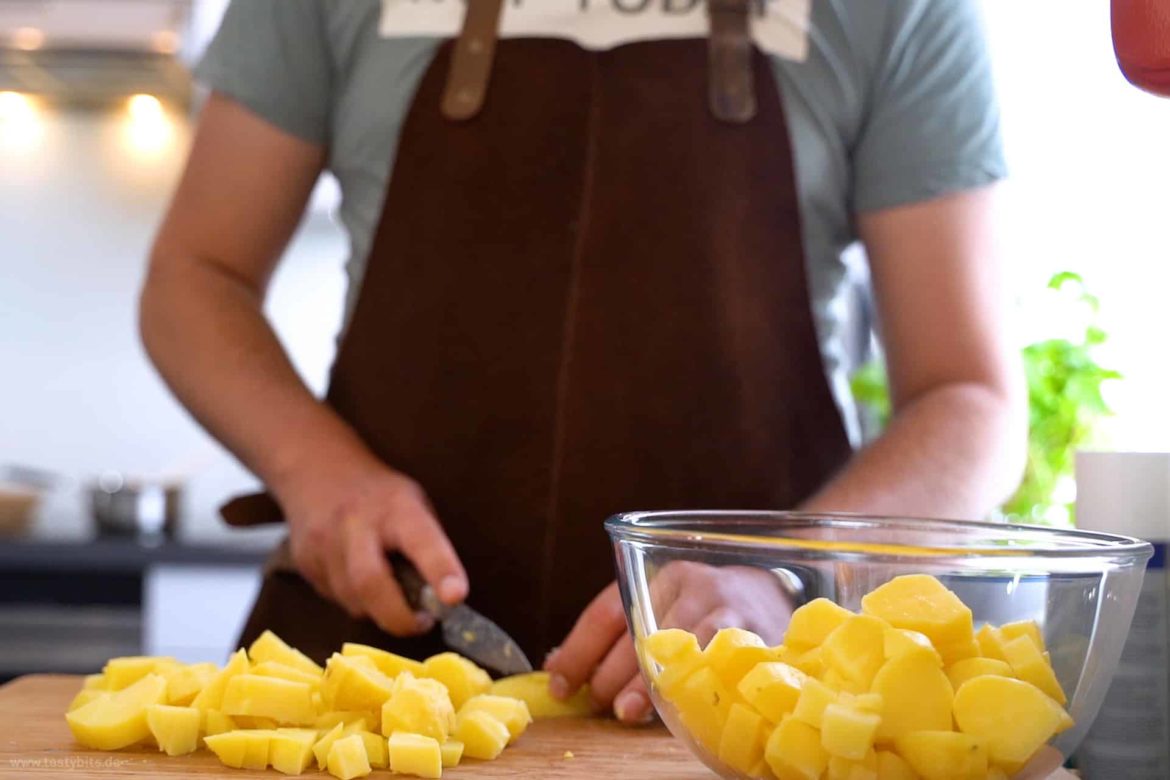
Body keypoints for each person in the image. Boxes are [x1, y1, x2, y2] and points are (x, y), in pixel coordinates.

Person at [140, 0, 1025, 725]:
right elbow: (193, 279)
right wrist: (315, 469)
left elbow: (971, 399)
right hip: (363, 690)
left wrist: (783, 576)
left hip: (731, 702)